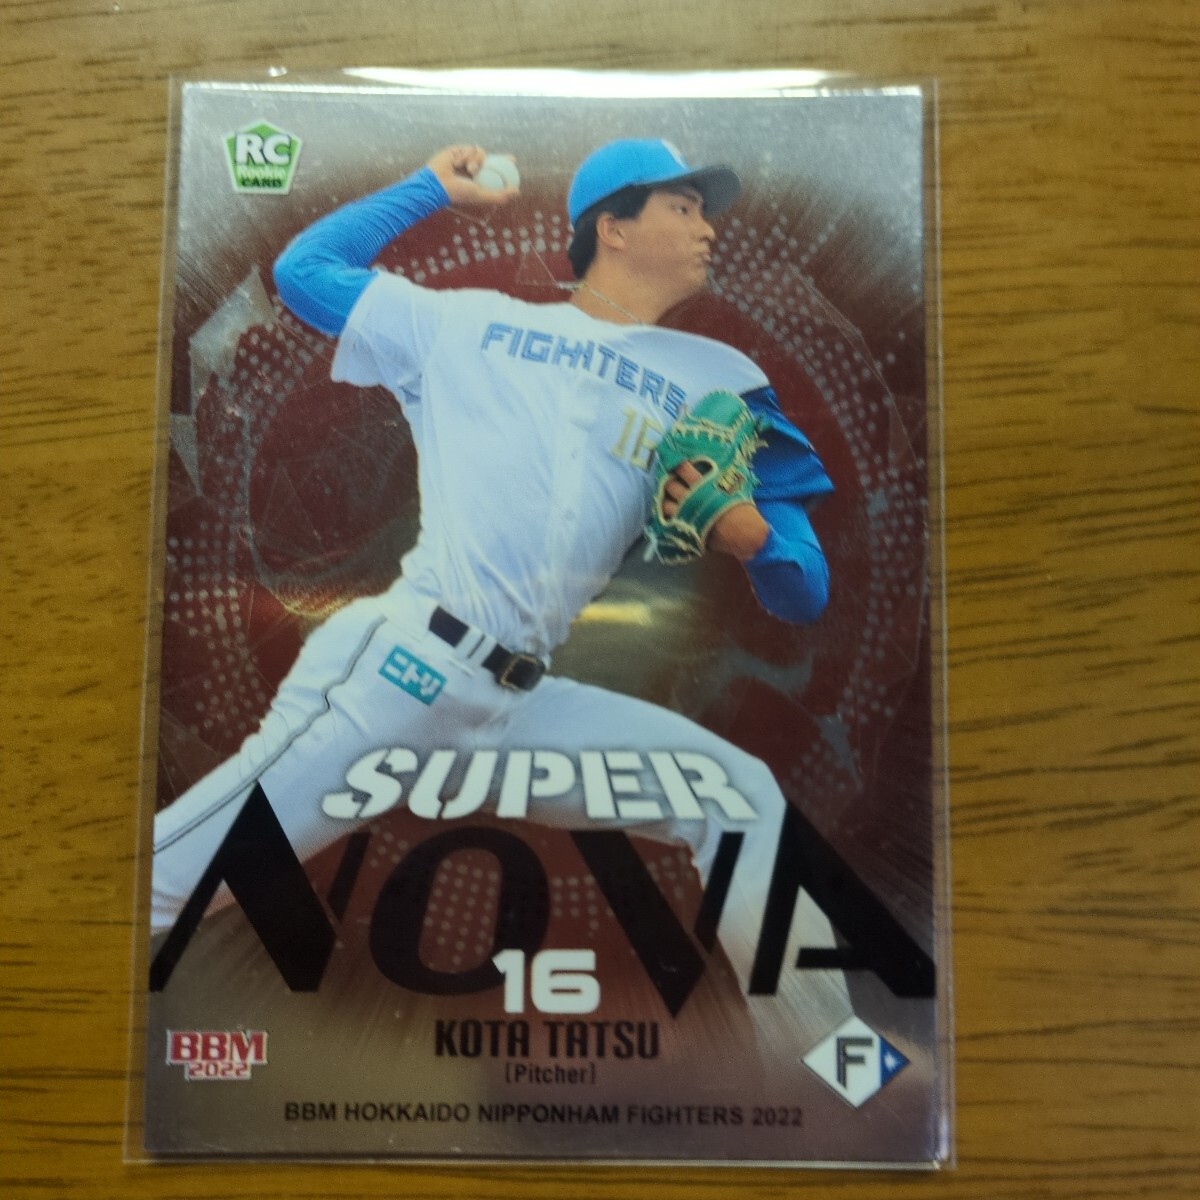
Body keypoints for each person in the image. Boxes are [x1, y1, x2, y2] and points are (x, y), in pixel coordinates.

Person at [151, 138, 849, 1045]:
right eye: (683, 207)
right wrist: (427, 189)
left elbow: (803, 593)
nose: (708, 227)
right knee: (181, 878)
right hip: (402, 671)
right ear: (613, 226)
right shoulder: (466, 324)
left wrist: (755, 541)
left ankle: (840, 1065)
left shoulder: (721, 381)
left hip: (519, 704)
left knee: (737, 795)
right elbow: (305, 274)